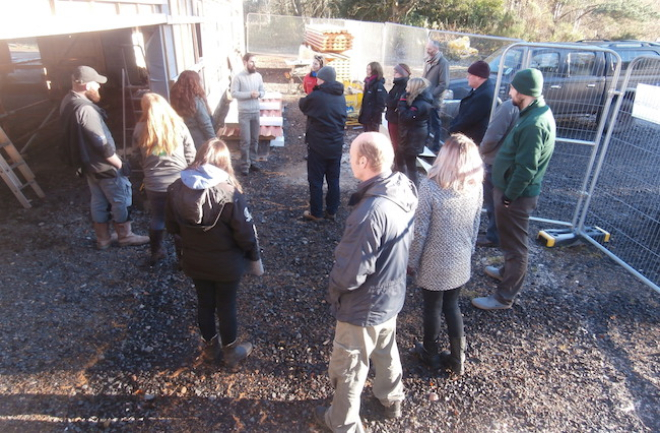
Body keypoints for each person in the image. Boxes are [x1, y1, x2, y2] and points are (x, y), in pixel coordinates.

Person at [315, 132, 418, 432]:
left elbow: (351, 272)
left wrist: (333, 290)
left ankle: (342, 422)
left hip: (364, 305)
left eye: (351, 156)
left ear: (363, 160)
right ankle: (390, 399)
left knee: (349, 365)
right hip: (391, 293)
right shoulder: (403, 188)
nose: (348, 161)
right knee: (385, 347)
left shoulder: (370, 212)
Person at [165, 138, 262, 368]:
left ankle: (209, 350)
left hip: (194, 260)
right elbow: (246, 235)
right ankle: (230, 352)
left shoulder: (176, 188)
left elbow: (171, 227)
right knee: (226, 305)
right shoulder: (230, 193)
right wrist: (253, 256)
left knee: (204, 303)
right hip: (227, 265)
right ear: (223, 162)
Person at [472, 68, 556, 310]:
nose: (509, 92)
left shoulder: (535, 123)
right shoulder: (531, 112)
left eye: (512, 88)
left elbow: (527, 167)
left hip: (515, 196)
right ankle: (505, 272)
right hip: (510, 191)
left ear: (523, 92)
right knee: (509, 242)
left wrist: (509, 196)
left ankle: (504, 297)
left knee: (516, 247)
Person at [408, 134, 483, 375]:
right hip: (460, 258)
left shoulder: (430, 187)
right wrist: (469, 251)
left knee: (432, 307)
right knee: (452, 306)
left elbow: (419, 231)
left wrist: (411, 261)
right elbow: (476, 223)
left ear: (444, 157)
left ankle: (431, 354)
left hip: (433, 261)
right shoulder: (475, 187)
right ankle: (458, 357)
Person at [59, 65, 149, 249]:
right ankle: (125, 236)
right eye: (95, 84)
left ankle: (103, 239)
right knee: (121, 199)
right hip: (104, 165)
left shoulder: (67, 101)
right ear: (85, 85)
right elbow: (101, 143)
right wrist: (119, 164)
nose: (99, 87)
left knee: (98, 199)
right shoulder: (86, 110)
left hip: (87, 163)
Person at [132, 92, 196, 265]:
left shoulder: (139, 128)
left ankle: (156, 252)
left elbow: (136, 155)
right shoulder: (178, 125)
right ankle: (183, 259)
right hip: (178, 183)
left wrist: (148, 166)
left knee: (158, 217)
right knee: (179, 220)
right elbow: (191, 154)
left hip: (154, 184)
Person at [298, 66, 347, 222]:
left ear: (323, 79)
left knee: (316, 180)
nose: (316, 79)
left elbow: (303, 105)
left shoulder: (317, 96)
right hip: (336, 144)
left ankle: (316, 212)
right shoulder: (341, 96)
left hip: (318, 145)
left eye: (318, 77)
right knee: (333, 180)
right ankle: (332, 211)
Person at [477, 99, 520, 248]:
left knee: (493, 201)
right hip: (508, 163)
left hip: (495, 161)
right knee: (500, 201)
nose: (509, 92)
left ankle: (493, 236)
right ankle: (496, 232)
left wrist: (481, 151)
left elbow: (492, 136)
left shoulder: (509, 106)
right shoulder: (531, 110)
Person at [231, 53, 266, 176]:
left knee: (255, 139)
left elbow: (263, 91)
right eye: (251, 62)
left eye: (255, 62)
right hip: (244, 113)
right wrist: (249, 94)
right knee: (245, 140)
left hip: (255, 112)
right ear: (245, 62)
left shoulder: (258, 76)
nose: (254, 64)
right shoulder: (238, 77)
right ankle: (245, 165)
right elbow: (234, 93)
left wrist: (260, 94)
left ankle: (252, 161)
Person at [397, 77, 434, 187]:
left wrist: (402, 102)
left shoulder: (420, 104)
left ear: (414, 88)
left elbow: (405, 117)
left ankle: (413, 187)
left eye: (408, 86)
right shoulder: (419, 101)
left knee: (410, 163)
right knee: (402, 159)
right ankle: (404, 183)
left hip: (413, 137)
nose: (406, 88)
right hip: (411, 134)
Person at [448, 60, 494, 145]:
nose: (467, 77)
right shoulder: (479, 89)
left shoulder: (485, 95)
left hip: (470, 140)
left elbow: (469, 118)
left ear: (479, 77)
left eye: (470, 75)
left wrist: (453, 129)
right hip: (466, 136)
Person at [170, 70, 216, 150]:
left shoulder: (174, 99)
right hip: (199, 141)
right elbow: (205, 124)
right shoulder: (196, 101)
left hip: (182, 140)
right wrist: (214, 142)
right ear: (195, 84)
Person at [422, 39, 450, 152]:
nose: (427, 51)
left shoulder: (443, 63)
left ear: (436, 49)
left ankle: (436, 145)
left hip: (434, 100)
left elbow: (444, 83)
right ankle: (426, 143)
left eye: (430, 49)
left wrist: (431, 94)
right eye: (427, 48)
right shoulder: (428, 60)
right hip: (425, 98)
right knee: (426, 122)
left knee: (435, 123)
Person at [385, 63, 410, 166]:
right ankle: (397, 164)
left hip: (397, 119)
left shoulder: (405, 86)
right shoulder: (396, 86)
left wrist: (390, 103)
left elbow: (395, 102)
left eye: (396, 72)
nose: (394, 74)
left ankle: (399, 166)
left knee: (397, 144)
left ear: (402, 74)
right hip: (392, 117)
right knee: (394, 143)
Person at [357, 61, 386, 132]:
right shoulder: (367, 84)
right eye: (367, 69)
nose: (367, 71)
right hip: (366, 117)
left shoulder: (378, 85)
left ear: (375, 71)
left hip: (373, 119)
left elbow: (381, 103)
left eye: (369, 69)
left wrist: (374, 117)